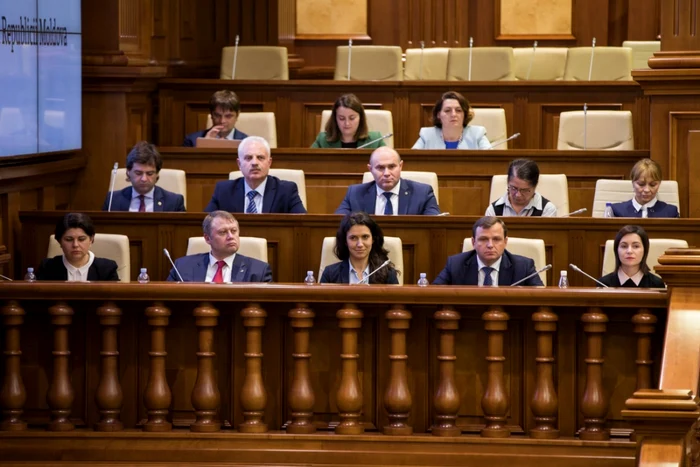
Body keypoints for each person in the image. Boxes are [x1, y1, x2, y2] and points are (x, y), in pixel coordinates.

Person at [204, 136, 306, 213]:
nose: (254, 163)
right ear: (239, 164)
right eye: (248, 158)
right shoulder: (224, 191)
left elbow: (302, 223)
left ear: (269, 163)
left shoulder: (286, 191)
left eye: (260, 157)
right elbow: (206, 223)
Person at [433, 217, 543, 286]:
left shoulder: (523, 267)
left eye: (496, 239)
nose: (490, 245)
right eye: (483, 239)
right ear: (473, 242)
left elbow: (541, 297)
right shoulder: (455, 264)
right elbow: (434, 293)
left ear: (505, 242)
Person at [167, 211, 272, 282]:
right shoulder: (182, 266)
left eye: (234, 231)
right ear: (208, 238)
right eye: (223, 232)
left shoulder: (259, 270)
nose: (231, 236)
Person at [335, 147, 440, 215]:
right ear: (370, 169)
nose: (386, 173)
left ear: (400, 166)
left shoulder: (423, 193)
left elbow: (433, 225)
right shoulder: (355, 194)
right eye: (380, 168)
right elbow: (338, 224)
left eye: (392, 166)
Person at [102, 141, 186, 212]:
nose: (144, 179)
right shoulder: (112, 200)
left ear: (157, 174)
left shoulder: (174, 202)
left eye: (150, 174)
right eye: (138, 173)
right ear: (128, 172)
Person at [320, 212, 399, 284]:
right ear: (345, 241)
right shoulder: (330, 274)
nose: (360, 244)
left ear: (373, 239)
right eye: (353, 238)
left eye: (365, 237)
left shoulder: (388, 274)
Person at [36, 213, 119, 281]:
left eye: (81, 239)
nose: (75, 245)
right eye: (69, 239)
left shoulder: (107, 269)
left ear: (91, 239)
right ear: (59, 241)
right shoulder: (47, 268)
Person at [412, 91, 491, 150]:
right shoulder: (427, 135)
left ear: (465, 114)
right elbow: (413, 160)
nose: (453, 114)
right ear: (438, 115)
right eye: (447, 110)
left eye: (458, 110)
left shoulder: (477, 134)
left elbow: (491, 160)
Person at [598, 225, 665, 288]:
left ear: (645, 250)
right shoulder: (603, 284)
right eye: (624, 246)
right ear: (616, 250)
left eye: (636, 246)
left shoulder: (657, 284)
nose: (629, 251)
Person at [485, 159, 557, 217]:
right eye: (514, 188)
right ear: (508, 182)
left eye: (525, 190)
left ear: (535, 186)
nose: (518, 195)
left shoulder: (547, 209)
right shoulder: (493, 210)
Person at [311, 94, 386, 149]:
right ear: (335, 119)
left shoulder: (376, 139)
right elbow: (309, 163)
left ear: (360, 118)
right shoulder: (322, 140)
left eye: (352, 118)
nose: (347, 123)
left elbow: (390, 162)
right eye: (341, 118)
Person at [610, 158, 679, 218]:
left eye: (652, 185)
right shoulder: (617, 211)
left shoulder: (671, 213)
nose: (647, 190)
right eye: (641, 184)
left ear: (659, 183)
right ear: (633, 182)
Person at [183, 90, 248, 147]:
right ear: (211, 115)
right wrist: (204, 145)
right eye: (217, 115)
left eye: (228, 116)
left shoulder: (248, 142)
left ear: (237, 115)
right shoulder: (191, 141)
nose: (222, 121)